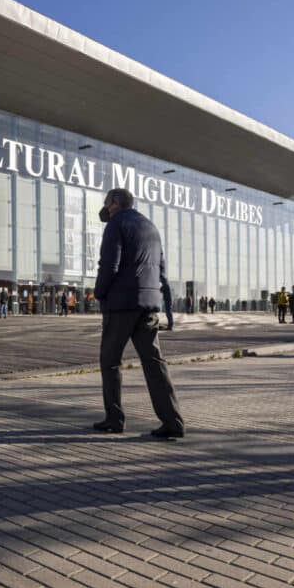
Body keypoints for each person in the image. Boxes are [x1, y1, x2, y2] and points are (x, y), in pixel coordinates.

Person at [92, 188, 183, 440]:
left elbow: (109, 263)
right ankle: (173, 421)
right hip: (148, 306)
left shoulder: (115, 224)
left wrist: (99, 293)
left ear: (116, 203)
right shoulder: (151, 227)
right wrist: (160, 298)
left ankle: (114, 418)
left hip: (121, 305)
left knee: (110, 362)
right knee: (154, 363)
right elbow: (161, 269)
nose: (104, 208)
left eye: (106, 203)